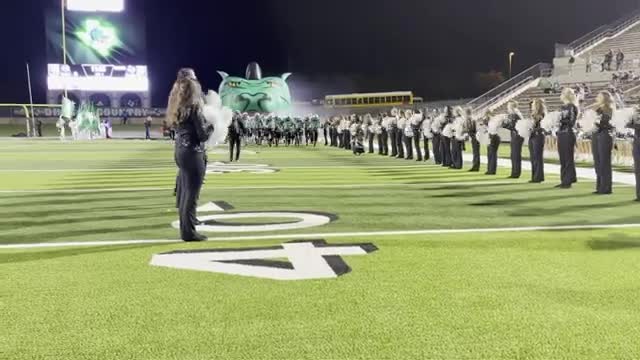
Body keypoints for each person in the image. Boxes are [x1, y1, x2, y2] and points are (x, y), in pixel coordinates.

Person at [168, 68, 213, 242]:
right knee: (191, 194)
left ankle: (187, 225)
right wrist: (213, 125)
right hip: (193, 152)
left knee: (185, 192)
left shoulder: (177, 105)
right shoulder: (194, 106)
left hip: (180, 151)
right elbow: (203, 135)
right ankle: (188, 232)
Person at [592, 91, 615, 194]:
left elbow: (609, 123)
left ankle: (606, 187)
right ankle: (600, 186)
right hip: (596, 135)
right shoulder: (597, 109)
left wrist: (598, 122)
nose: (597, 98)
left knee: (604, 162)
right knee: (597, 162)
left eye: (599, 96)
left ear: (604, 98)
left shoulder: (610, 109)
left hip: (605, 135)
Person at [556, 87, 579, 188]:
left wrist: (560, 121)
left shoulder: (572, 106)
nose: (561, 94)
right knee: (562, 158)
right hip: (561, 133)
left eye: (563, 93)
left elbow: (572, 122)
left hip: (568, 133)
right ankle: (565, 179)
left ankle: (567, 181)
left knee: (567, 158)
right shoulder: (563, 107)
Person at [529, 99, 547, 183]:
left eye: (533, 104)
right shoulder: (533, 114)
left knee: (537, 157)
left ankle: (539, 177)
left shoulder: (542, 114)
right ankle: (534, 176)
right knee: (533, 157)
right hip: (532, 136)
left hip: (538, 136)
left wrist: (533, 127)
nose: (532, 106)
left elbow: (543, 127)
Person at [505, 101, 523, 178]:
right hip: (515, 136)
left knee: (515, 155)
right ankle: (514, 172)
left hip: (517, 136)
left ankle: (516, 173)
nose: (507, 108)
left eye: (508, 106)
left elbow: (513, 126)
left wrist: (503, 124)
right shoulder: (515, 114)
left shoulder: (515, 114)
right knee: (514, 155)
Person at [485, 110, 500, 175]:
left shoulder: (493, 120)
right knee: (489, 154)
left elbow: (493, 130)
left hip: (493, 137)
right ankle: (489, 169)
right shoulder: (490, 121)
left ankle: (492, 170)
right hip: (491, 137)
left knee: (492, 154)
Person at [465, 108, 480, 172]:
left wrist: (469, 134)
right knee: (475, 152)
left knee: (475, 152)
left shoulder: (470, 119)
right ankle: (475, 166)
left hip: (474, 137)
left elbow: (472, 129)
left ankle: (475, 166)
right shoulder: (472, 119)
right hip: (475, 137)